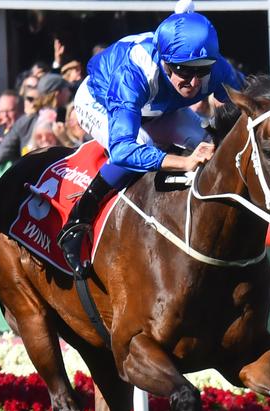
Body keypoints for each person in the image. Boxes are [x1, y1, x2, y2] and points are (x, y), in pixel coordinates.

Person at [57, 2, 243, 278]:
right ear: (165, 61)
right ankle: (77, 223)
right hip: (102, 102)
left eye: (201, 70)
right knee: (141, 146)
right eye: (183, 70)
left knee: (210, 148)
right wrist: (183, 162)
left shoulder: (217, 69)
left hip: (159, 109)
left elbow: (252, 103)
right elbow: (123, 150)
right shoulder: (133, 73)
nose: (193, 82)